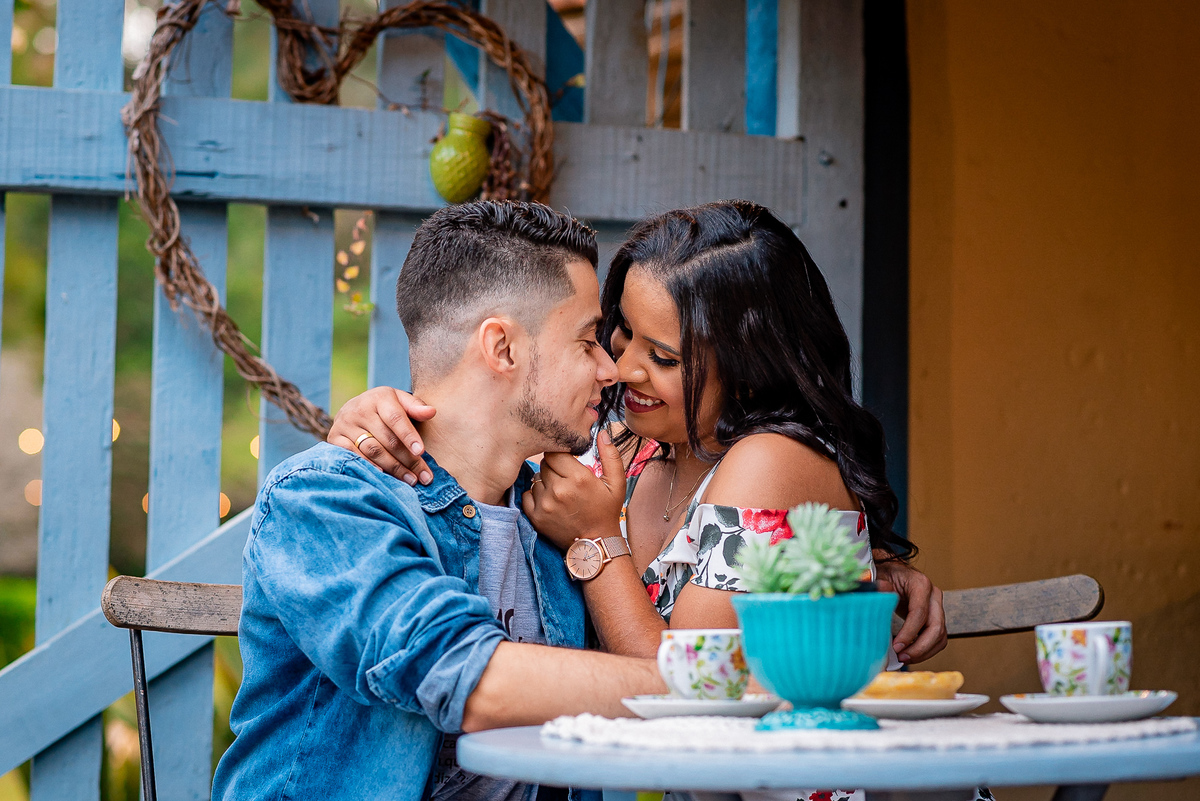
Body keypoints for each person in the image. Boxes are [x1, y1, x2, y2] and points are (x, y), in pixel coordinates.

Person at [331, 201, 947, 664]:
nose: (622, 368)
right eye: (621, 332)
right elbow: (488, 442)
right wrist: (376, 417)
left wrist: (598, 541)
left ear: (752, 372)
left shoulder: (771, 460)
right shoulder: (631, 446)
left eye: (665, 358)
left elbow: (694, 690)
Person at [211, 201, 668, 801]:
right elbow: (462, 675)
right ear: (502, 348)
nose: (610, 370)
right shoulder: (323, 498)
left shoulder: (563, 514)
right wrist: (711, 692)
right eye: (588, 342)